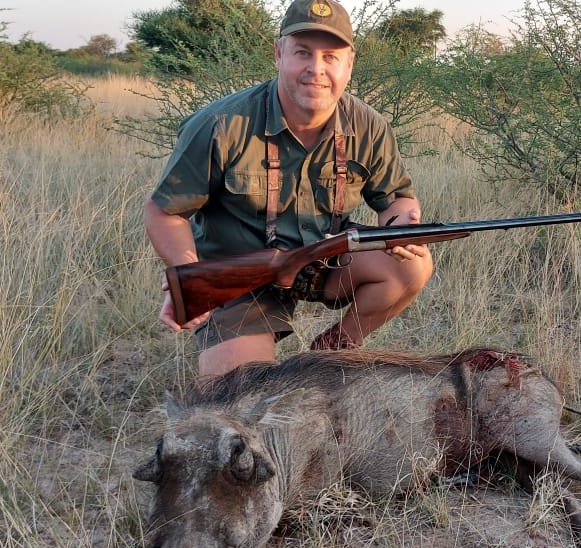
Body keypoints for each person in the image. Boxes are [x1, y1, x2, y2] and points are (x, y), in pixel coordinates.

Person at [144, 0, 432, 377]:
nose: (317, 69)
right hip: (239, 279)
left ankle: (329, 357)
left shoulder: (369, 125)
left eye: (331, 56)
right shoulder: (219, 123)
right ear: (278, 54)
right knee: (240, 398)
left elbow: (396, 200)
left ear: (349, 64)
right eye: (302, 53)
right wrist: (190, 278)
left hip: (325, 261)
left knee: (413, 266)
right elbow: (164, 211)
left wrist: (401, 225)